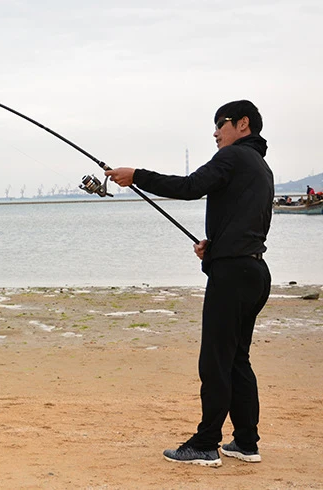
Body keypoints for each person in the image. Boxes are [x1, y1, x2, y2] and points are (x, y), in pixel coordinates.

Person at [104, 100, 273, 467]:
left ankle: (206, 443)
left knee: (216, 361)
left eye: (220, 124)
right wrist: (215, 250)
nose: (215, 132)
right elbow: (248, 224)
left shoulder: (233, 157)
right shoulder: (260, 166)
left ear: (242, 124)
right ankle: (246, 442)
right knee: (236, 359)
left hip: (233, 275)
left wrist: (137, 175)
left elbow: (191, 186)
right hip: (254, 272)